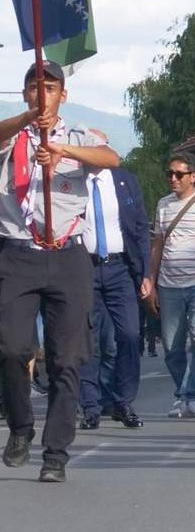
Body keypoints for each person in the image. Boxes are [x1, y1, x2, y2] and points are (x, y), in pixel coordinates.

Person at [0, 61, 120, 483]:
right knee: (12, 348)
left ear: (63, 95)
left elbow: (111, 158)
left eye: (50, 87)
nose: (42, 94)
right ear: (26, 94)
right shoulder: (12, 135)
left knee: (67, 358)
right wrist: (28, 121)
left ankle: (56, 453)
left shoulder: (78, 137)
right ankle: (20, 425)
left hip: (67, 256)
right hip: (17, 254)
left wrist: (65, 152)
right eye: (34, 87)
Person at [81, 164, 151, 429]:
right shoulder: (74, 179)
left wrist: (145, 272)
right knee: (88, 339)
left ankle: (123, 402)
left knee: (130, 334)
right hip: (84, 266)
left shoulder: (125, 181)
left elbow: (140, 226)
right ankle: (90, 405)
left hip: (120, 267)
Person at [153, 151, 195, 419]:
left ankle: (194, 397)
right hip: (169, 283)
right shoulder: (163, 205)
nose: (173, 179)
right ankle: (182, 392)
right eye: (169, 174)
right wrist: (150, 278)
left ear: (193, 176)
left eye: (179, 174)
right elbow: (157, 244)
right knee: (172, 346)